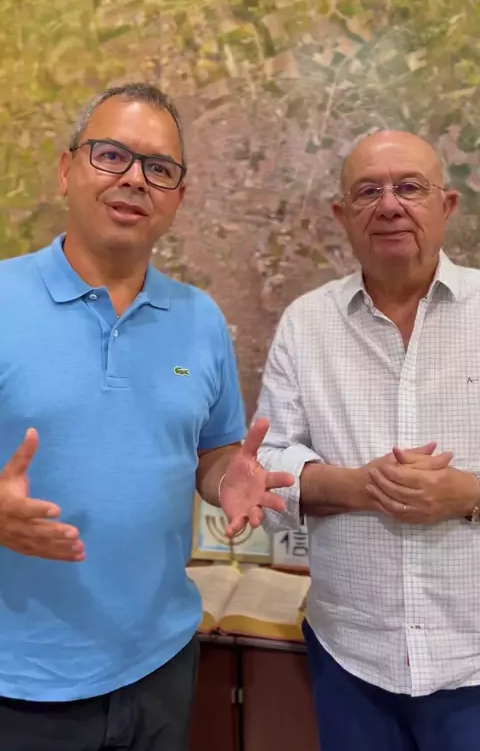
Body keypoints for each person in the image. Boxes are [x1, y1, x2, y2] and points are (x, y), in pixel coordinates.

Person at [0, 82, 293, 751]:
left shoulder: (200, 319)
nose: (134, 178)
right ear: (66, 169)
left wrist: (227, 478)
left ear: (178, 197)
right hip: (21, 680)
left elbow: (213, 451)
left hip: (160, 665)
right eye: (111, 155)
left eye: (159, 168)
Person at [255, 128, 480, 751]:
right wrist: (357, 486)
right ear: (341, 215)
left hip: (473, 657)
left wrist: (467, 495)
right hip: (351, 657)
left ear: (447, 206)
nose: (389, 205)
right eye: (367, 192)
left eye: (409, 187)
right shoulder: (306, 323)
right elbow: (267, 461)